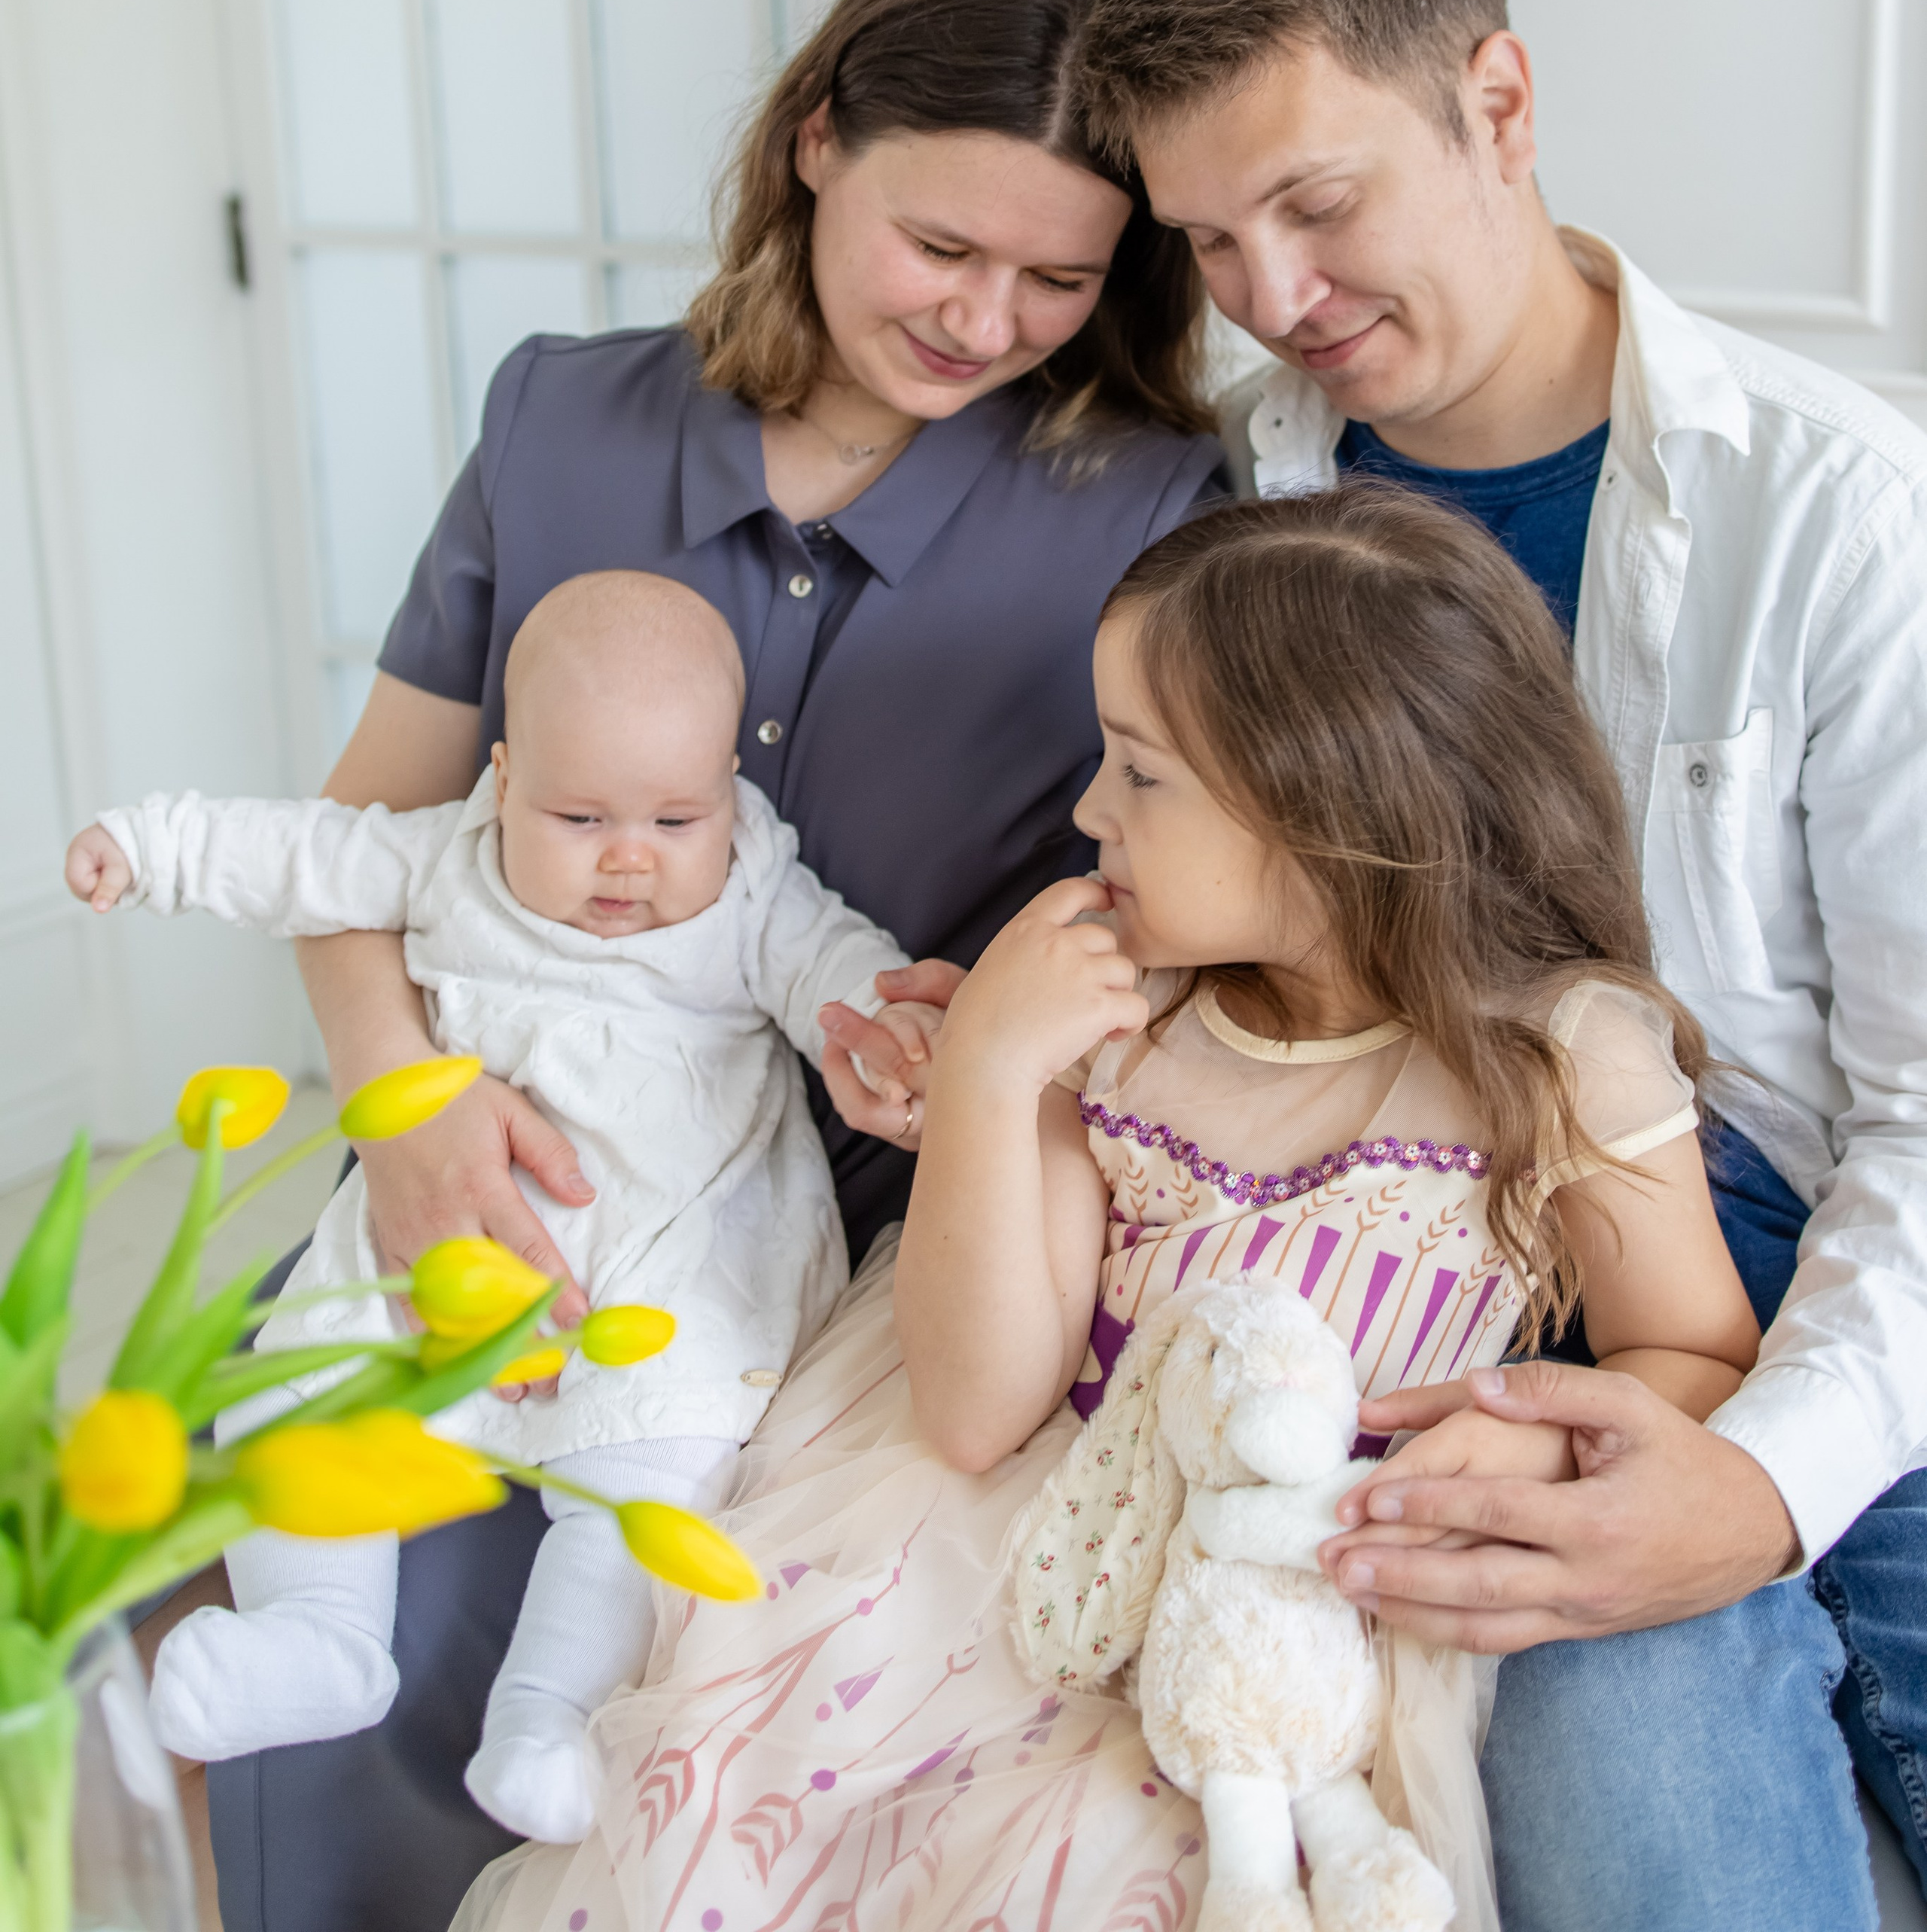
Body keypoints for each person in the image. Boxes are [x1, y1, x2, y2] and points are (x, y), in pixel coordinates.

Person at [196, 0, 1228, 1932]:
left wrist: (973, 1030)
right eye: (947, 246)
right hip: (469, 1146)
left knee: (622, 1689)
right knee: (327, 1599)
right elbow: (361, 835)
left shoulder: (1147, 503)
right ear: (818, 140)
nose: (988, 316)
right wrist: (406, 1120)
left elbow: (1157, 919)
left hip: (846, 1248)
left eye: (1060, 278)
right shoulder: (558, 421)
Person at [449, 488, 1759, 1932]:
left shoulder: (1565, 1056)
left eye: (1140, 773)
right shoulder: (1117, 1017)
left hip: (1303, 1597)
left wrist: (1508, 1458)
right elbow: (973, 1409)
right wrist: (994, 1077)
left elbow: (1693, 1354)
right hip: (1031, 1550)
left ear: (1325, 806)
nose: (1087, 812)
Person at [1075, 0, 1927, 1932]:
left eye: (1319, 200)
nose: (1272, 298)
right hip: (1409, 1270)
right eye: (1209, 237)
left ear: (1501, 102)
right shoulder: (1229, 508)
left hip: (1789, 1269)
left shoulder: (1836, 523)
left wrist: (1758, 1479)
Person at [71, 571, 941, 1841]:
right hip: (431, 1239)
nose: (629, 857)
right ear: (502, 777)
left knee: (662, 1469)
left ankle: (551, 1717)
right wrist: (148, 846)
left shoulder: (752, 887)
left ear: (728, 797)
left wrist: (890, 1030)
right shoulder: (446, 856)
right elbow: (298, 856)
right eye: (580, 815)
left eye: (675, 817)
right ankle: (317, 1640)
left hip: (660, 1257)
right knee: (296, 1389)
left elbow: (834, 968)